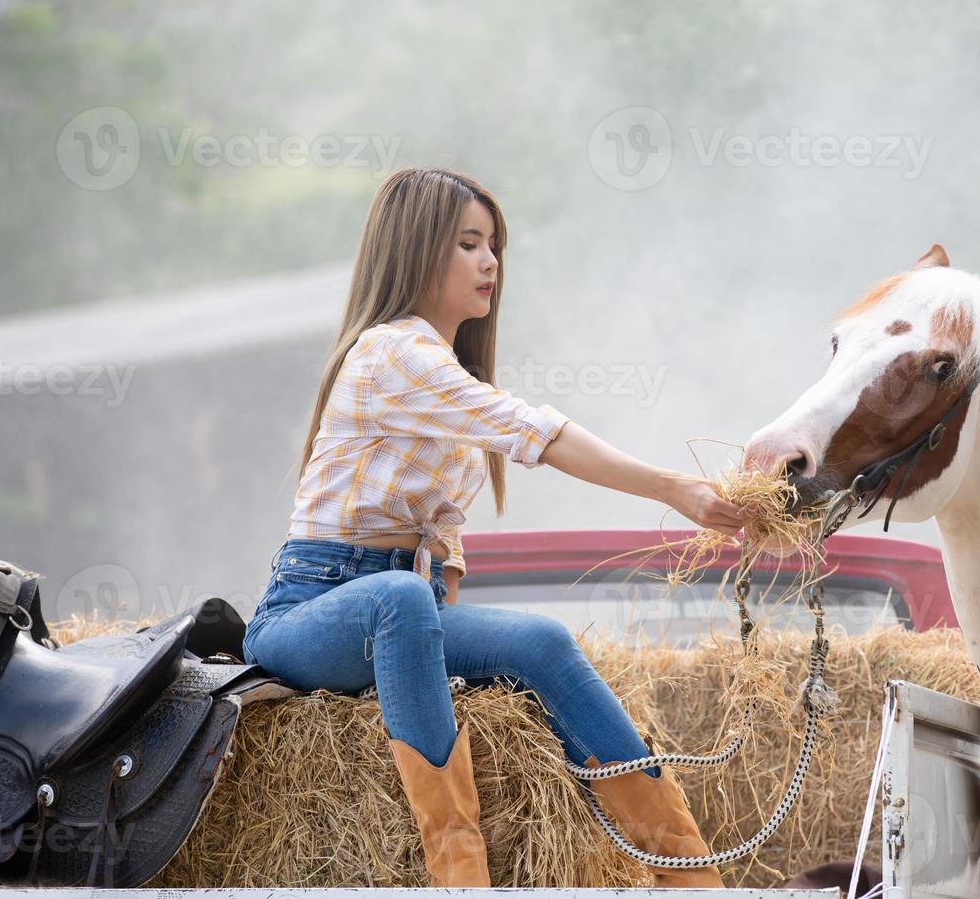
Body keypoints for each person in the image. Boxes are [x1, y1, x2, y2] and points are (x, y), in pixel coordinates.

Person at [241, 167, 745, 887]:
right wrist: (674, 488)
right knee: (402, 600)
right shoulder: (392, 353)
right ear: (416, 252)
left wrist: (434, 609)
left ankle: (687, 873)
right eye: (469, 244)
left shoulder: (442, 373)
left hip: (399, 610)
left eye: (495, 246)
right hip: (307, 614)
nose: (490, 263)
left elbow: (441, 536)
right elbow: (532, 430)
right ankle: (460, 878)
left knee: (540, 640)